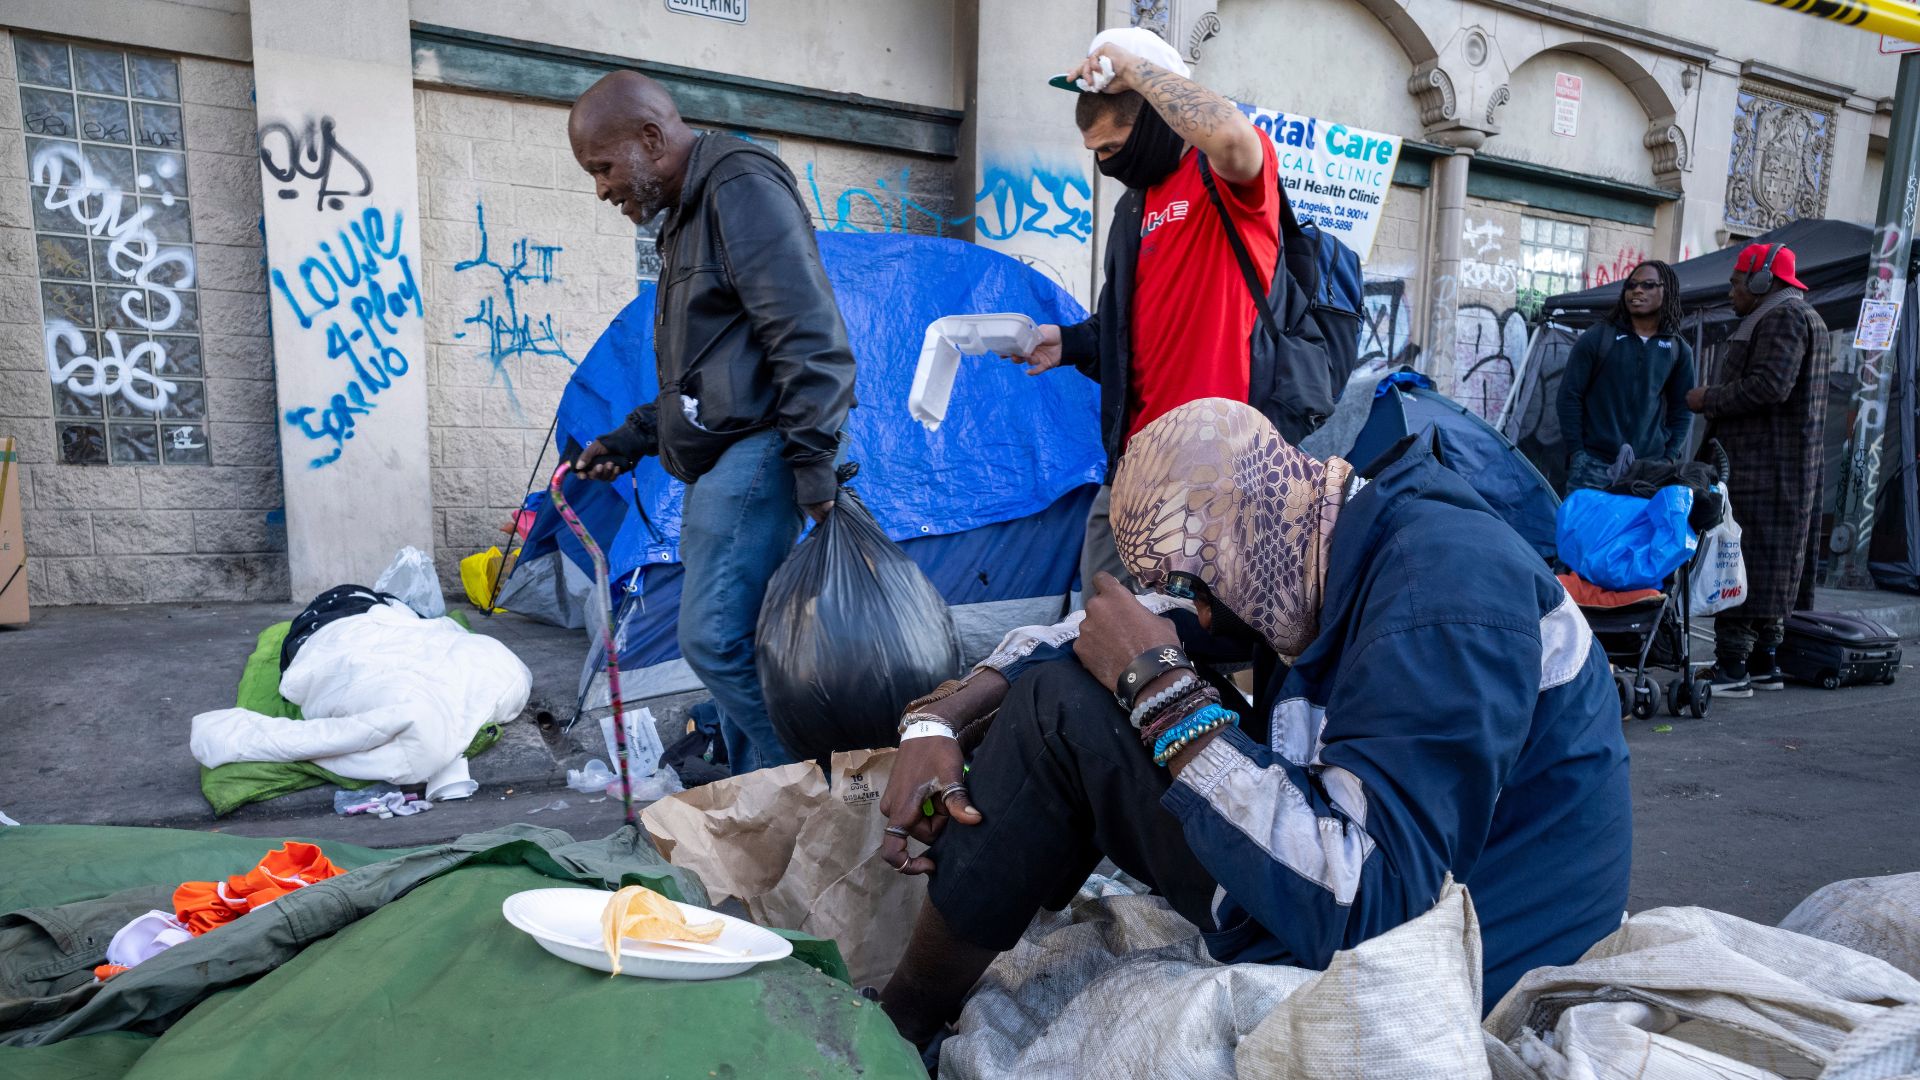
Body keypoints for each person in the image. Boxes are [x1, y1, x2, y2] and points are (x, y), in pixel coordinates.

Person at [876, 397, 1632, 1046]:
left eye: (1198, 586)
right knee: (1075, 684)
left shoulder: (1442, 594)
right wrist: (937, 721)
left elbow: (1371, 906)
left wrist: (1162, 691)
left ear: (1248, 534)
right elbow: (1113, 628)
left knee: (1064, 715)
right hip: (1366, 899)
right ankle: (923, 994)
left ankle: (903, 1027)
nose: (1199, 612)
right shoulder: (1308, 541)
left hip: (1458, 963)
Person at [564, 71, 857, 771]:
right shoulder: (691, 213)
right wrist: (631, 440)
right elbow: (708, 378)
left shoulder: (738, 187)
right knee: (742, 645)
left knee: (713, 640)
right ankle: (763, 810)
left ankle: (824, 784)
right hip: (732, 452)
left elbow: (809, 333)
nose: (601, 188)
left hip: (760, 453)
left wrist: (813, 462)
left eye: (602, 168)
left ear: (652, 138)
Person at [989, 27, 1280, 589]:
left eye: (1111, 149)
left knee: (1186, 650)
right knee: (1097, 629)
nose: (1103, 164)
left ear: (1151, 115)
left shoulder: (1222, 179)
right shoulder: (1134, 207)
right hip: (1132, 466)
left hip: (1215, 470)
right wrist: (1068, 342)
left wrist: (1134, 70)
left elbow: (1233, 138)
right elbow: (1127, 329)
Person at [1687, 242, 1831, 697]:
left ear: (1762, 281)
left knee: (1741, 563)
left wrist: (1707, 397)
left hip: (1763, 466)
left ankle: (1733, 670)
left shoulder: (1783, 317)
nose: (1730, 291)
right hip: (1781, 466)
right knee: (1773, 566)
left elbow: (1769, 386)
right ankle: (1765, 664)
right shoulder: (1800, 316)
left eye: (1735, 281)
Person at [1557, 261, 1694, 491]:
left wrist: (1669, 458)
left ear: (1666, 291)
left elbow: (1682, 409)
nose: (1637, 290)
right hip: (1592, 466)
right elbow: (1568, 396)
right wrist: (1578, 452)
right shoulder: (1598, 337)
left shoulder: (1678, 349)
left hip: (1647, 470)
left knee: (1635, 529)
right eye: (1631, 285)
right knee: (1584, 528)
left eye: (1648, 285)